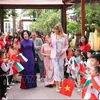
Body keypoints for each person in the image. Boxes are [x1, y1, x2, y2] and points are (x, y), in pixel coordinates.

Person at [49, 23, 68, 92]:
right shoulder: (53, 35)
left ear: (59, 29)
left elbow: (67, 45)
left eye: (56, 29)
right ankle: (57, 85)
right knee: (56, 69)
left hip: (61, 55)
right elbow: (51, 46)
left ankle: (61, 84)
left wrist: (64, 50)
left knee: (61, 69)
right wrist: (49, 43)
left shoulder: (65, 36)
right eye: (54, 29)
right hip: (54, 55)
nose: (55, 31)